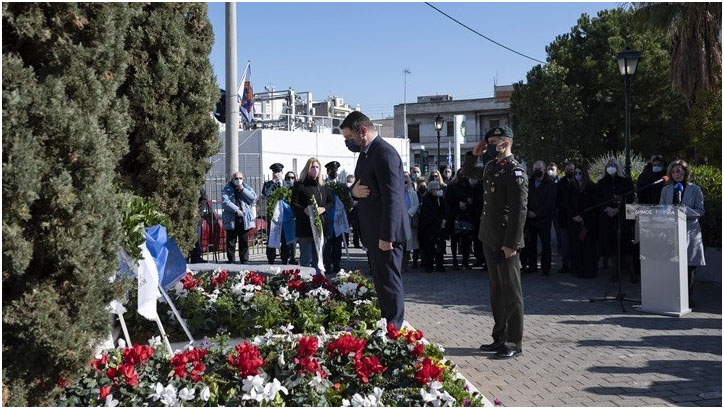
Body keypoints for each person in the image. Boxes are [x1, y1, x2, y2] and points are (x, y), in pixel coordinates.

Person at [462, 126, 527, 359]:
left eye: (493, 142)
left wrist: (512, 244)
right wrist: (473, 154)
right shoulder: (491, 166)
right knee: (496, 291)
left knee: (511, 291)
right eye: (488, 142)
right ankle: (499, 337)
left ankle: (513, 342)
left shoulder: (515, 171)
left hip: (505, 240)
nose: (489, 146)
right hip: (489, 236)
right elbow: (466, 172)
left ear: (506, 143)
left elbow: (519, 211)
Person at [342, 111, 410, 329]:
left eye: (349, 138)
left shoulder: (384, 153)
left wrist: (387, 235)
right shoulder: (365, 155)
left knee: (389, 282)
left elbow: (394, 197)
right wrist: (353, 191)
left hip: (385, 233)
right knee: (380, 282)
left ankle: (394, 328)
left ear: (362, 131)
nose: (348, 142)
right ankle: (386, 323)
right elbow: (358, 186)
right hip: (372, 231)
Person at [659, 159, 705, 308]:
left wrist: (684, 211)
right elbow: (661, 209)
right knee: (672, 265)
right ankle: (672, 295)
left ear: (685, 172)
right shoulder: (666, 189)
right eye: (673, 171)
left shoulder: (695, 189)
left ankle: (688, 297)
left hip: (689, 232)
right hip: (671, 232)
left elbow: (701, 210)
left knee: (689, 266)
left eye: (679, 170)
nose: (676, 173)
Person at [596, 158, 637, 283]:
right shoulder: (602, 182)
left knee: (626, 245)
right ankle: (615, 272)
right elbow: (598, 199)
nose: (611, 167)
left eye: (613, 165)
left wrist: (618, 209)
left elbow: (630, 199)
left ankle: (632, 273)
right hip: (608, 218)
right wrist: (607, 209)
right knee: (612, 245)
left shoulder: (626, 181)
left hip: (623, 218)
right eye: (608, 165)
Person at [291, 158, 334, 274]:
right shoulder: (299, 185)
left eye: (317, 167)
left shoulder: (323, 185)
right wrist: (304, 210)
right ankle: (304, 282)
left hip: (320, 226)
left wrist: (323, 208)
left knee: (318, 258)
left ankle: (319, 281)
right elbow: (293, 204)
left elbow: (331, 201)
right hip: (305, 226)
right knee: (305, 258)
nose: (315, 170)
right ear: (307, 169)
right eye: (312, 167)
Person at [563, 166, 598, 278]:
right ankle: (578, 269)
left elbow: (593, 204)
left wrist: (582, 216)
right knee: (575, 247)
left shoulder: (591, 187)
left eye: (580, 173)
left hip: (587, 221)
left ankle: (588, 271)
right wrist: (574, 216)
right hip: (573, 221)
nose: (578, 175)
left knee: (588, 248)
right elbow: (567, 203)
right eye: (576, 173)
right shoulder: (570, 187)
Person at [523, 160, 556, 275]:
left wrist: (537, 213)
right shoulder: (529, 182)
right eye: (535, 169)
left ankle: (545, 268)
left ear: (544, 169)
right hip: (531, 219)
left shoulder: (550, 183)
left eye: (540, 169)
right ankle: (532, 266)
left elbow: (550, 202)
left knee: (546, 245)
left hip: (544, 219)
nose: (538, 171)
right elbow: (524, 198)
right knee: (531, 244)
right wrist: (528, 212)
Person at [222, 172, 257, 264]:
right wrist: (236, 209)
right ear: (232, 179)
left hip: (244, 218)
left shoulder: (247, 187)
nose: (238, 180)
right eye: (236, 178)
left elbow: (253, 198)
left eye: (240, 178)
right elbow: (225, 202)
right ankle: (231, 260)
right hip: (232, 218)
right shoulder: (227, 188)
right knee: (231, 241)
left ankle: (244, 260)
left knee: (244, 241)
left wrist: (243, 190)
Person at [263, 163, 292, 265]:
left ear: (282, 172)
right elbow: (266, 194)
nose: (277, 174)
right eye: (275, 172)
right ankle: (271, 259)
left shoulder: (288, 184)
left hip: (285, 215)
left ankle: (285, 259)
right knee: (272, 237)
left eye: (278, 172)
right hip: (273, 216)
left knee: (285, 239)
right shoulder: (268, 184)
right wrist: (273, 183)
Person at [447, 168, 474, 270]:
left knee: (466, 241)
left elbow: (474, 200)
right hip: (455, 216)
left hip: (466, 216)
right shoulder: (452, 186)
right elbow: (448, 200)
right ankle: (454, 261)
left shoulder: (470, 187)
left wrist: (468, 203)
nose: (462, 177)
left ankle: (465, 261)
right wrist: (458, 203)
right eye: (460, 175)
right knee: (454, 240)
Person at [419, 180, 448, 273]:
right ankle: (429, 266)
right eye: (437, 189)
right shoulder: (427, 200)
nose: (439, 190)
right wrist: (440, 221)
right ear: (431, 190)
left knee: (440, 247)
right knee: (429, 248)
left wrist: (444, 220)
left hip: (440, 228)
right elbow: (429, 214)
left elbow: (446, 211)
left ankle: (440, 266)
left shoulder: (440, 199)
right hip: (429, 228)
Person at [323, 161, 344, 274]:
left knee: (337, 243)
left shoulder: (341, 185)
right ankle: (327, 264)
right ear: (328, 171)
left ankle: (337, 264)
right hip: (327, 217)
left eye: (336, 171)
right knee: (327, 243)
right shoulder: (324, 185)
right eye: (332, 171)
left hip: (338, 217)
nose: (334, 173)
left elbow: (346, 199)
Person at [556, 161, 576, 273]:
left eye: (571, 170)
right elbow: (557, 200)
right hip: (564, 217)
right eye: (567, 170)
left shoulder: (578, 182)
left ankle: (575, 263)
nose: (570, 172)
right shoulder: (560, 184)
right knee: (565, 243)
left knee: (574, 242)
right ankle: (565, 264)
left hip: (575, 217)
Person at [402, 172, 421, 272]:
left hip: (409, 219)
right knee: (401, 243)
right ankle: (401, 264)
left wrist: (408, 213)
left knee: (409, 244)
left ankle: (406, 263)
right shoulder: (398, 192)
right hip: (400, 219)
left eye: (406, 180)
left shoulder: (413, 193)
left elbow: (416, 205)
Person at [188, 187, 210, 263]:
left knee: (197, 240)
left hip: (196, 217)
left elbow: (204, 198)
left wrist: (198, 210)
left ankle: (196, 257)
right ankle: (185, 257)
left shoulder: (198, 186)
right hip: (183, 216)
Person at [345, 174, 361, 249]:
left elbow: (358, 199)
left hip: (355, 210)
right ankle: (346, 242)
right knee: (346, 227)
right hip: (347, 210)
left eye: (351, 182)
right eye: (348, 181)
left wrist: (354, 204)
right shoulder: (345, 189)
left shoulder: (355, 188)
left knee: (356, 228)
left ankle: (356, 242)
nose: (349, 184)